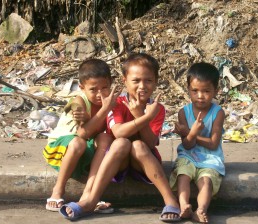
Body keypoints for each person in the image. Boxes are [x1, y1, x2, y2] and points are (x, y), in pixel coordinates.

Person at [59, 53, 181, 222]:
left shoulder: (156, 108)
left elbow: (151, 142)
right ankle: (90, 200)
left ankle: (170, 200)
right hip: (118, 162)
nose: (142, 86)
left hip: (143, 163)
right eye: (136, 80)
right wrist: (143, 117)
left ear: (156, 82)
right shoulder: (116, 103)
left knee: (138, 145)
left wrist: (140, 115)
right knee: (121, 143)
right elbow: (118, 132)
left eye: (148, 80)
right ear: (125, 81)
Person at [43, 58, 120, 213]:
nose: (99, 94)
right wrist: (104, 110)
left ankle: (89, 194)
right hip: (61, 150)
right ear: (82, 87)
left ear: (111, 83)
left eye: (104, 88)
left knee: (105, 139)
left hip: (85, 152)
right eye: (93, 89)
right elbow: (82, 133)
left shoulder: (113, 101)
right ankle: (58, 190)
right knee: (78, 142)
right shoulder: (79, 101)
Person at [169, 62, 225, 223]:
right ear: (188, 90)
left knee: (206, 181)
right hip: (188, 154)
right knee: (183, 175)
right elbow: (187, 145)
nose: (200, 95)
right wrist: (191, 133)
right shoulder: (184, 113)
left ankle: (201, 210)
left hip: (210, 157)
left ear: (216, 91)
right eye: (195, 91)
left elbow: (214, 144)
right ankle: (184, 206)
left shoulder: (218, 113)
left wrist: (190, 133)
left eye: (206, 91)